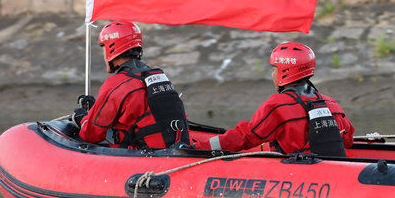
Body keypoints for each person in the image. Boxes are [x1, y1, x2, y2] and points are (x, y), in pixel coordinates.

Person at [197, 42, 354, 155]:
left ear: (285, 71)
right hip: (330, 171)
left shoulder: (278, 106)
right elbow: (347, 140)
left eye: (274, 69)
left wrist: (198, 148)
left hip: (299, 176)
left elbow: (246, 137)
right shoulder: (332, 104)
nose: (272, 74)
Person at [72, 21, 191, 149]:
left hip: (143, 157)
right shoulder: (158, 76)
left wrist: (83, 118)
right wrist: (96, 107)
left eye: (103, 48)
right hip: (176, 149)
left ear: (111, 48)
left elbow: (90, 135)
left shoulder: (117, 84)